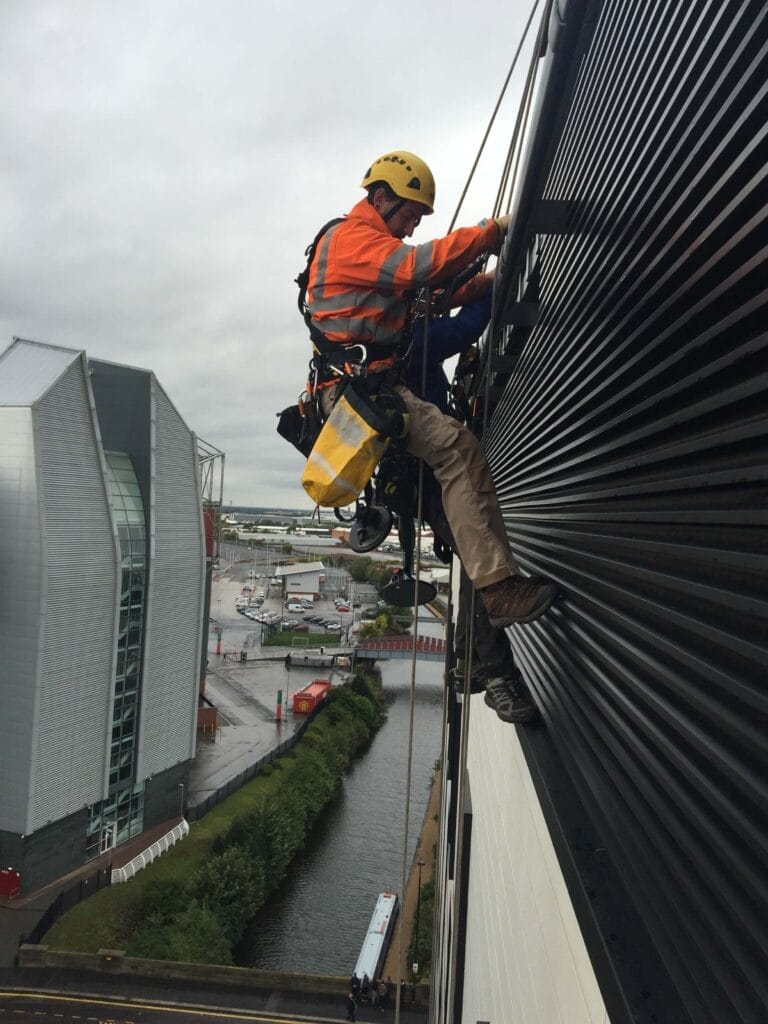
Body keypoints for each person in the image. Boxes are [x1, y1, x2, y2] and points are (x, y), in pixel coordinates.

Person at [304, 151, 556, 689]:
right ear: (381, 198)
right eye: (410, 213)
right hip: (363, 396)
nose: (414, 224)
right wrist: (494, 232)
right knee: (458, 449)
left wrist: (489, 282)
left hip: (364, 396)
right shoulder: (353, 241)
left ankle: (482, 653)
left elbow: (432, 296)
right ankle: (492, 630)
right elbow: (420, 269)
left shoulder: (372, 253)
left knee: (461, 490)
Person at [406, 287, 539, 724]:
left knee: (473, 557)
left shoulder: (387, 344)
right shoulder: (411, 339)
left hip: (418, 480)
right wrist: (494, 282)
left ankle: (469, 662)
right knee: (482, 562)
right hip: (426, 477)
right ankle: (497, 676)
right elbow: (464, 328)